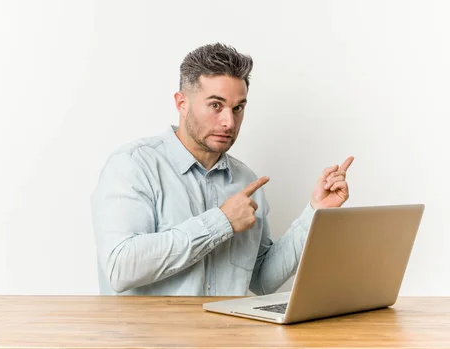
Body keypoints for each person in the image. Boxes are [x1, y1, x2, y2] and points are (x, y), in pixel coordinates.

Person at [90, 43, 354, 296]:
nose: (229, 122)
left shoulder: (246, 181)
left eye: (238, 108)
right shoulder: (133, 165)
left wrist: (315, 213)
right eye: (216, 105)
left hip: (228, 338)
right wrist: (221, 221)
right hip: (153, 340)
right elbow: (120, 267)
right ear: (182, 103)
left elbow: (262, 280)